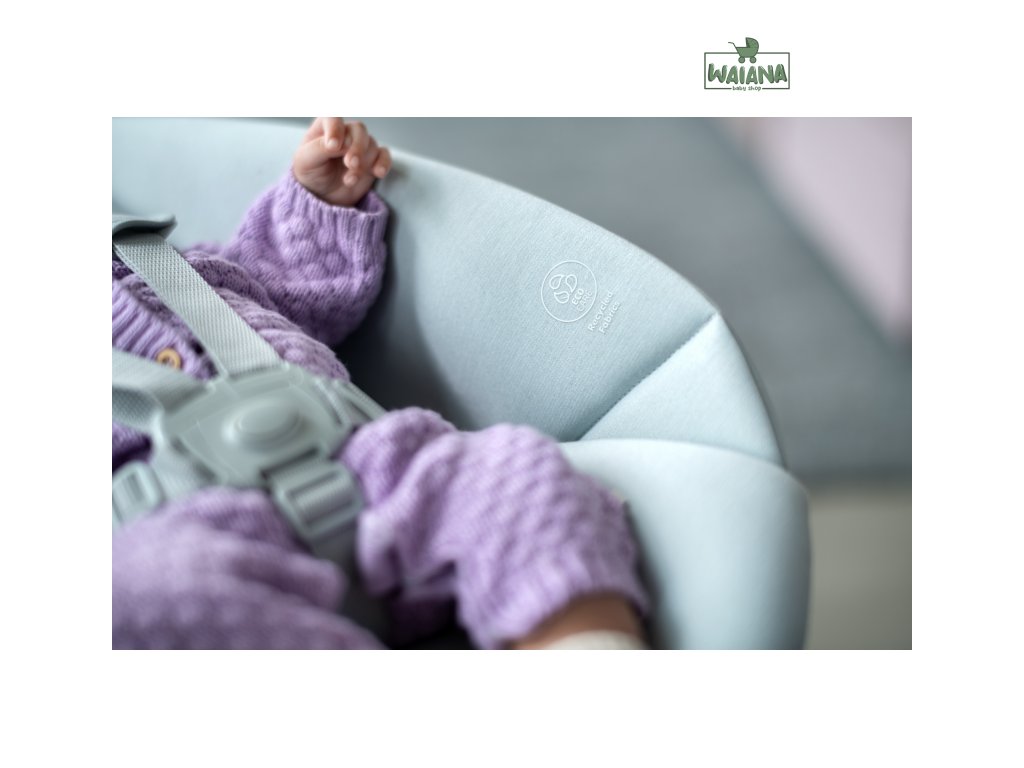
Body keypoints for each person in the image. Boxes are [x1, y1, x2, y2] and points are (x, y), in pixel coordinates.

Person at [112, 117, 649, 649]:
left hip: (363, 457)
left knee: (514, 471)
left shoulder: (164, 265)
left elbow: (283, 282)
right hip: (182, 522)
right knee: (148, 597)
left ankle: (583, 645)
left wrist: (317, 203)